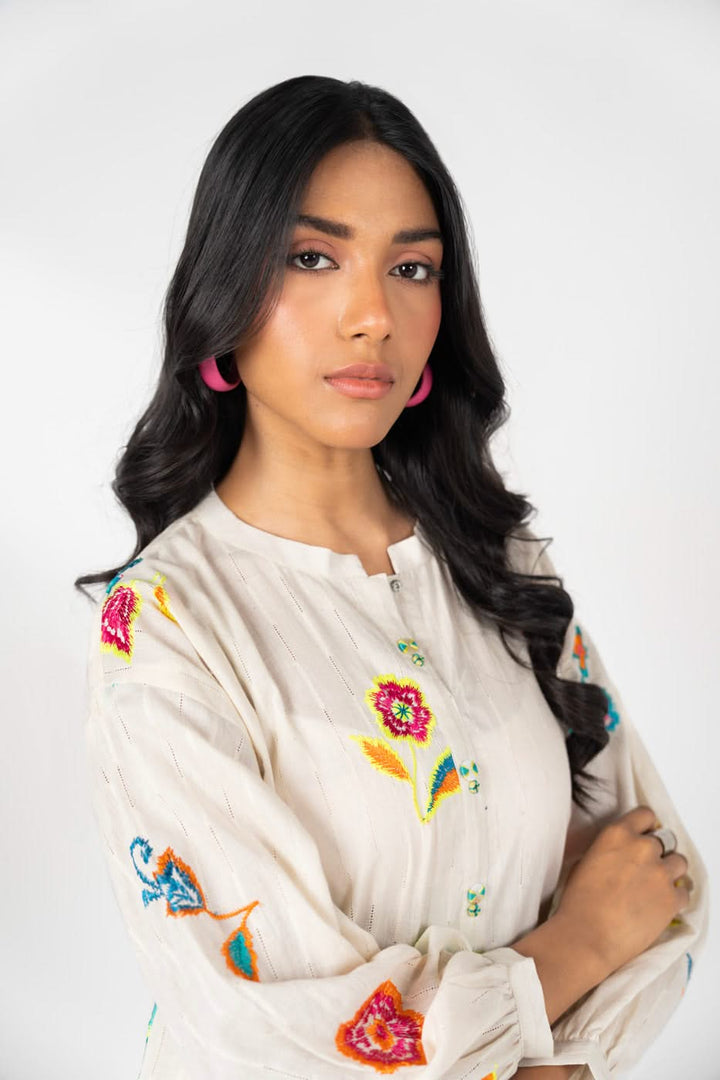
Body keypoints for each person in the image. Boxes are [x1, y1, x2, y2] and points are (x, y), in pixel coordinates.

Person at [76, 75, 708, 1080]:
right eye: (313, 258)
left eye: (412, 268)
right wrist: (574, 950)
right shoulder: (166, 621)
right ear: (225, 286)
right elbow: (268, 1027)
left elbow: (657, 882)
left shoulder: (500, 565)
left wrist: (561, 1056)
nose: (372, 315)